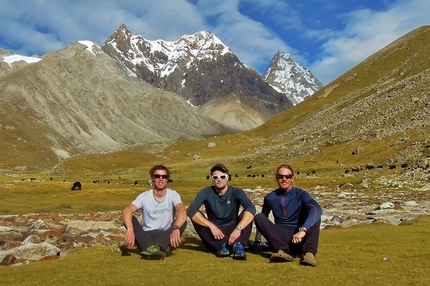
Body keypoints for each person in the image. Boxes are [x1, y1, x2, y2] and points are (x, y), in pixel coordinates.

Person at [253, 164, 322, 266]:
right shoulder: (270, 197)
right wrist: (257, 240)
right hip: (281, 239)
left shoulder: (301, 194)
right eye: (281, 176)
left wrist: (303, 230)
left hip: (300, 238)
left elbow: (317, 208)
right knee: (258, 217)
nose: (284, 179)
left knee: (314, 215)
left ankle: (309, 254)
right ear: (277, 178)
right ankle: (282, 251)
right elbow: (264, 217)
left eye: (288, 176)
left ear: (292, 178)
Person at [187, 163, 256, 260]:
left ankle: (239, 246)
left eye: (222, 176)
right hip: (215, 233)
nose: (219, 179)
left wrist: (238, 229)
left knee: (247, 214)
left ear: (227, 178)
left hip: (233, 227)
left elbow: (251, 208)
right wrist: (212, 227)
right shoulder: (206, 192)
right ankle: (221, 246)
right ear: (212, 179)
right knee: (197, 216)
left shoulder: (236, 192)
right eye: (215, 177)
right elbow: (191, 210)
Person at [122, 165, 187, 260]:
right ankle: (162, 247)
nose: (161, 179)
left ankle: (151, 248)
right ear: (152, 178)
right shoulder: (144, 196)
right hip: (147, 234)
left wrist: (176, 228)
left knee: (183, 221)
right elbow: (127, 210)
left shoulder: (173, 195)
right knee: (128, 218)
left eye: (164, 177)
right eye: (157, 176)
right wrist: (130, 229)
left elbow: (181, 209)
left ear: (167, 179)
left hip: (166, 233)